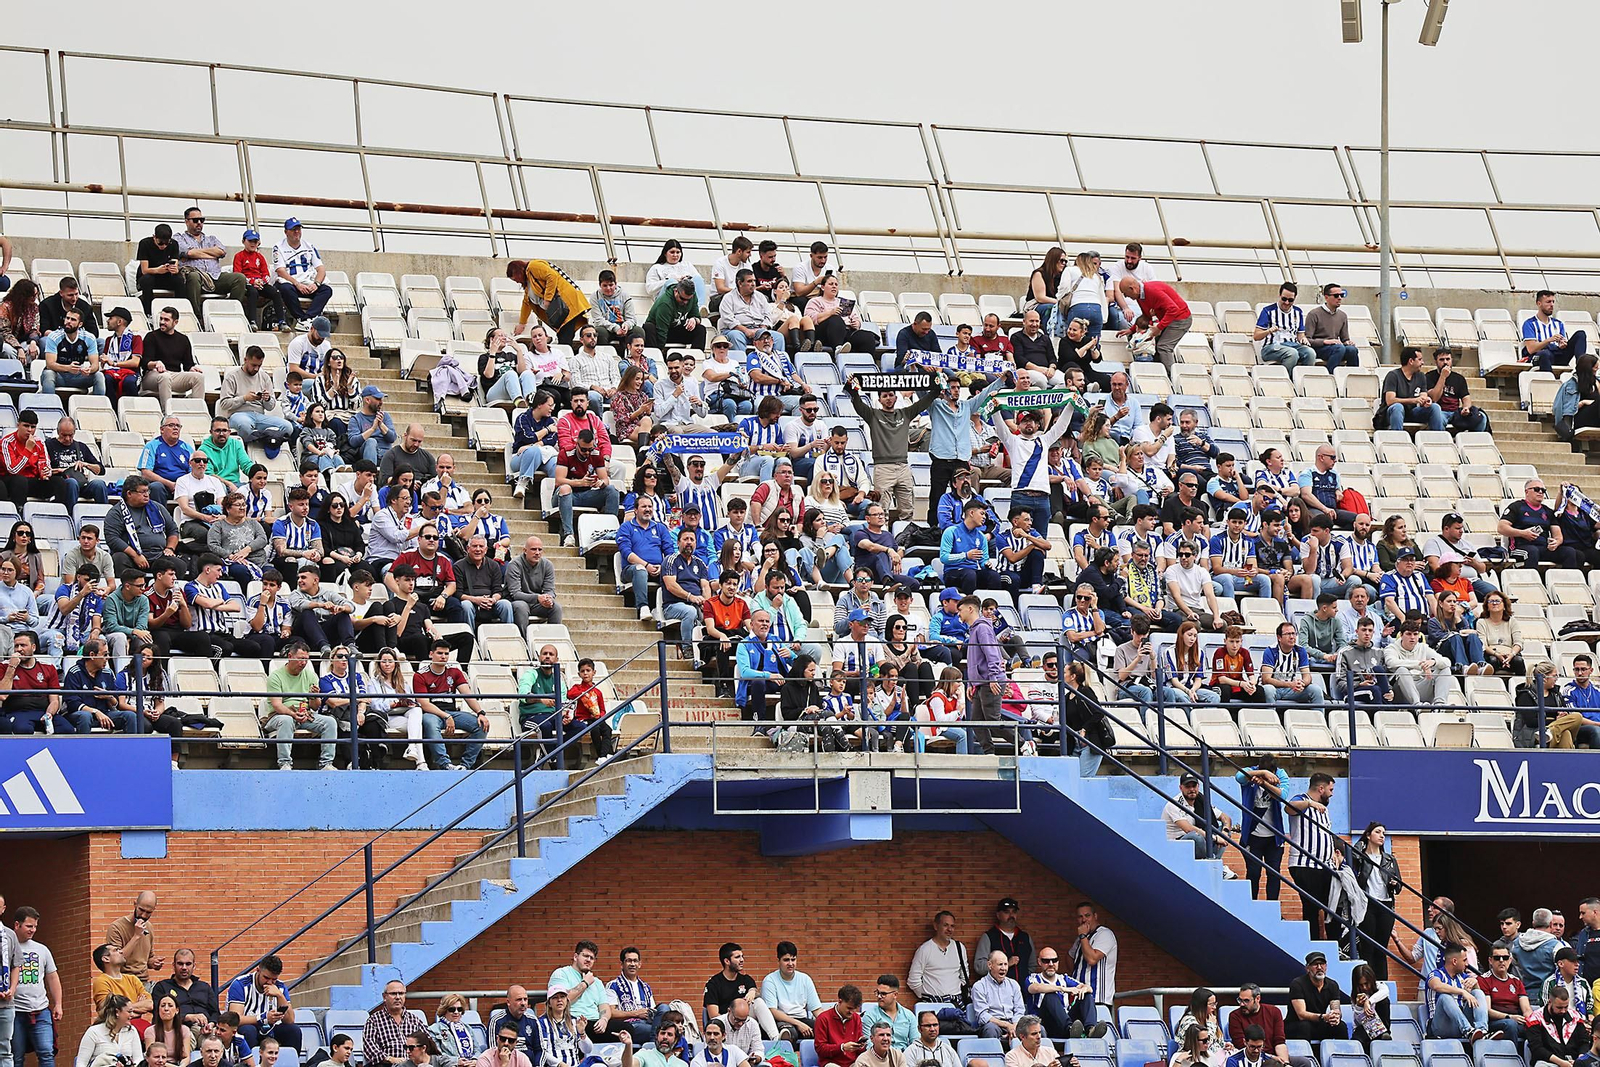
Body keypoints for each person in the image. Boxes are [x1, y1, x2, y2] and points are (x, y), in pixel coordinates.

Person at [848, 375, 940, 523]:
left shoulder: (905, 413)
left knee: (907, 510)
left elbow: (926, 400)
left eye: (891, 395)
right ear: (879, 400)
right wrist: (852, 385)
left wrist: (937, 382)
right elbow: (857, 402)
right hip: (883, 468)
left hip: (903, 466)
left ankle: (905, 541)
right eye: (885, 396)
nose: (888, 398)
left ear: (896, 398)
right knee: (881, 511)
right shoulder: (873, 414)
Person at [220, 345, 297, 451]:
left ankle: (260, 436)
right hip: (238, 414)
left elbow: (270, 407)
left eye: (259, 366)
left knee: (287, 427)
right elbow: (224, 403)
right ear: (245, 360)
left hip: (259, 416)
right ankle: (265, 438)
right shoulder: (232, 376)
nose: (256, 369)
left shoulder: (264, 377)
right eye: (253, 365)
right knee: (245, 425)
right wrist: (244, 398)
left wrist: (267, 399)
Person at [223, 955, 298, 1050]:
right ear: (258, 970)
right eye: (266, 978)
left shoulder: (280, 987)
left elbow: (290, 1020)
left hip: (270, 1029)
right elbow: (234, 1019)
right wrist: (263, 1018)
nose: (270, 982)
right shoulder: (240, 984)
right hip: (247, 1028)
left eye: (274, 979)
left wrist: (280, 996)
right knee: (248, 1031)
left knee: (294, 1031)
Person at [139, 305, 205, 409]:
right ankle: (168, 414)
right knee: (165, 377)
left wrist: (192, 368)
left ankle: (197, 411)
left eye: (166, 320)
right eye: (161, 319)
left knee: (198, 377)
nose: (162, 322)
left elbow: (188, 365)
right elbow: (144, 363)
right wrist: (156, 363)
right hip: (153, 375)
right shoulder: (151, 336)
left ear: (175, 322)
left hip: (174, 375)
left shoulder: (183, 339)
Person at [271, 218, 333, 327]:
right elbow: (280, 270)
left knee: (326, 290)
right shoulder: (278, 247)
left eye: (298, 229)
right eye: (293, 229)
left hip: (308, 283)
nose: (297, 232)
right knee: (285, 288)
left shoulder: (309, 246)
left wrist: (316, 284)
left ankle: (309, 318)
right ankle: (301, 318)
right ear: (286, 232)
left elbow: (321, 269)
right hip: (292, 283)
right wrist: (297, 284)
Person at [1163, 772, 1233, 864]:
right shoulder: (1174, 804)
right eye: (1188, 786)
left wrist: (1224, 832)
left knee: (1223, 833)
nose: (1192, 789)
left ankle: (1214, 862)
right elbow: (1189, 829)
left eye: (1194, 786)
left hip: (1198, 845)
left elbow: (1226, 818)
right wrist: (1215, 838)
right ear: (1181, 788)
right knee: (1196, 836)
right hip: (1177, 844)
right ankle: (1214, 863)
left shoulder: (1201, 801)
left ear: (1198, 786)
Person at [1380, 346, 1447, 432]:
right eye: (1420, 359)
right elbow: (1390, 400)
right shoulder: (1393, 375)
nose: (1422, 362)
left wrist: (1426, 400)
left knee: (1435, 407)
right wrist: (1414, 400)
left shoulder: (1421, 376)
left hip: (1412, 411)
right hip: (1393, 413)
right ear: (1411, 361)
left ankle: (1437, 440)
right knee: (1397, 407)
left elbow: (1423, 395)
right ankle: (1397, 439)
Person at [1285, 952, 1346, 1042]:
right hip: (1296, 1024)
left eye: (1322, 964)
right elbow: (1301, 1014)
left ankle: (1344, 1054)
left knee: (1341, 1026)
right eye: (1315, 964)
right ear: (1307, 968)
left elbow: (1336, 1007)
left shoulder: (1332, 985)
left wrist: (1336, 1016)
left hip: (1318, 1023)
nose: (1319, 967)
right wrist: (1323, 1017)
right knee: (1305, 1026)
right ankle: (1305, 1055)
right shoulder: (1297, 984)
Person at [1255, 283, 1316, 374]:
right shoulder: (1268, 311)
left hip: (1292, 345)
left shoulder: (1298, 312)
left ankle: (1302, 380)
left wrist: (1303, 339)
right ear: (1279, 296)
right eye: (1284, 299)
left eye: (1290, 300)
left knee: (1311, 353)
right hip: (1271, 347)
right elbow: (1256, 336)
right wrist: (1268, 331)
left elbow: (1300, 334)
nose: (1287, 302)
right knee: (1292, 353)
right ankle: (1287, 380)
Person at [1523, 289, 1587, 373]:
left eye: (1553, 302)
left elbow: (1562, 343)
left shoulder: (1558, 323)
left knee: (1580, 334)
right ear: (1539, 304)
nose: (1552, 305)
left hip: (1558, 354)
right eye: (1548, 302)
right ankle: (1549, 382)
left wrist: (1563, 344)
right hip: (1540, 356)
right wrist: (1549, 340)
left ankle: (1581, 369)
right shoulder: (1529, 323)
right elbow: (1531, 349)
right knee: (1545, 354)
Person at [363, 981, 425, 1066]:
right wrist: (390, 1059)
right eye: (393, 994)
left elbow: (428, 1043)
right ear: (384, 997)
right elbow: (369, 1048)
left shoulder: (415, 1020)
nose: (398, 997)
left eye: (401, 993)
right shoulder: (374, 1021)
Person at [1480, 944, 1531, 1045]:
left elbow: (1526, 1009)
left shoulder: (1516, 981)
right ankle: (1512, 1058)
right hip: (1496, 1021)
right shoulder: (1483, 980)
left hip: (1515, 1019)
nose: (1501, 960)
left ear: (1510, 960)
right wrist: (1509, 1017)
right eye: (1497, 958)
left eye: (1505, 958)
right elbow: (1487, 1010)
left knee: (1537, 1026)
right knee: (1511, 1024)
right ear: (1490, 961)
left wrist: (1530, 1020)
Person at [1527, 985, 1589, 1067]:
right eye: (1559, 1008)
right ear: (1550, 1002)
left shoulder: (1575, 1016)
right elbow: (1537, 1049)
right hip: (1548, 1062)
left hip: (1574, 1061)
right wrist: (1561, 1063)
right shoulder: (1535, 1019)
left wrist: (1580, 1060)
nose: (1563, 1011)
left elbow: (1584, 1042)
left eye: (1566, 1007)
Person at [1303, 284, 1359, 372]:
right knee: (1339, 348)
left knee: (1352, 350)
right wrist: (1325, 341)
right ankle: (1329, 375)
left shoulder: (1342, 315)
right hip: (1319, 348)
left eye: (1342, 295)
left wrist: (1348, 342)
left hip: (1336, 348)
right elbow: (1307, 339)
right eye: (1336, 295)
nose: (1339, 298)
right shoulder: (1314, 314)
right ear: (1326, 297)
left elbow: (1345, 338)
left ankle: (1353, 377)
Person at [644, 277, 707, 351]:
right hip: (658, 331)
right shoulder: (665, 303)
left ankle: (694, 359)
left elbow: (697, 316)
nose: (685, 302)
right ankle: (656, 358)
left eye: (688, 299)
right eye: (682, 299)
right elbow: (662, 331)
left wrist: (694, 319)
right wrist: (661, 352)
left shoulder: (692, 296)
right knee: (649, 327)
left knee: (700, 330)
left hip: (675, 329)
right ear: (676, 291)